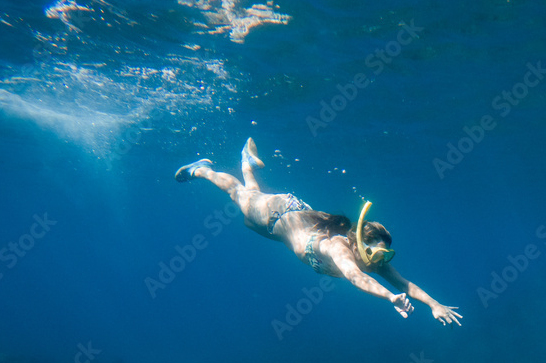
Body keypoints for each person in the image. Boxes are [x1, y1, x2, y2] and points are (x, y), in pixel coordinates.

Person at [174, 139, 463, 326]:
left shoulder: (374, 262)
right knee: (239, 195)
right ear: (360, 243)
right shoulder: (338, 247)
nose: (379, 260)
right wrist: (389, 299)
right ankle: (201, 170)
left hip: (286, 225)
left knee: (250, 205)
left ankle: (246, 162)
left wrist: (434, 305)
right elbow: (354, 276)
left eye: (385, 255)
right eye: (376, 252)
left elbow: (405, 283)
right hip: (280, 215)